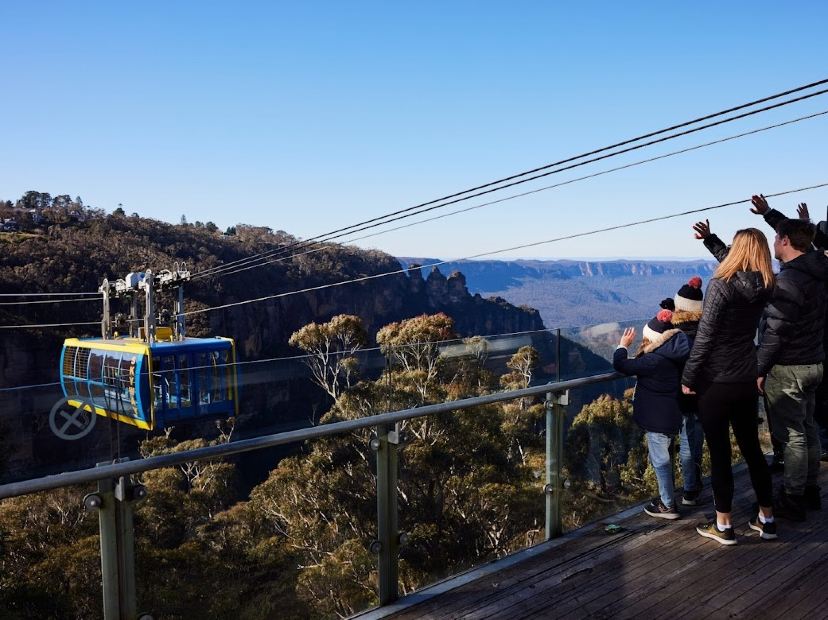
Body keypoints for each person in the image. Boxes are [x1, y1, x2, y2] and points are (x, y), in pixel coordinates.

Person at [682, 228, 775, 545]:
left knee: (720, 453)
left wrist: (688, 378)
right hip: (747, 378)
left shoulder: (720, 286)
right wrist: (712, 240)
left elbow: (704, 338)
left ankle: (723, 525)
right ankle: (767, 518)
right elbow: (741, 271)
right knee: (753, 449)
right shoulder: (764, 284)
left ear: (738, 250)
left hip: (716, 382)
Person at [757, 217, 828, 520]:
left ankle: (793, 496)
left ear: (785, 240)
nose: (773, 243)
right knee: (809, 427)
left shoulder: (789, 281)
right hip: (815, 362)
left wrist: (759, 369)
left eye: (775, 238)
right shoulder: (818, 273)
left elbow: (776, 332)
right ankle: (810, 489)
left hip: (789, 367)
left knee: (793, 435)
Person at [614, 309, 689, 520]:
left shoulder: (654, 360)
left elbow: (621, 364)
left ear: (655, 339)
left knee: (661, 461)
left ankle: (667, 505)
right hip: (674, 413)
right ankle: (679, 495)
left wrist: (623, 345)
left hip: (658, 419)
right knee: (669, 456)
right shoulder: (676, 353)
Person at [671, 276, 705, 505]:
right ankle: (696, 481)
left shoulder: (675, 334)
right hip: (705, 392)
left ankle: (690, 488)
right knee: (697, 438)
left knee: (686, 440)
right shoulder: (706, 329)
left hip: (683, 393)